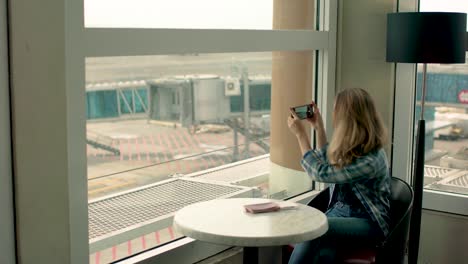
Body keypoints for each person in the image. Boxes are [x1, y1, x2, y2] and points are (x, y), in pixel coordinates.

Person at [287, 88, 391, 264]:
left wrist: (301, 136)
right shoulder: (354, 143)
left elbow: (319, 173)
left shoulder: (371, 159)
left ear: (348, 117)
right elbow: (327, 162)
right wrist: (318, 126)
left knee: (314, 228)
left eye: (336, 110)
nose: (333, 114)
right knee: (324, 254)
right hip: (339, 213)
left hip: (367, 221)